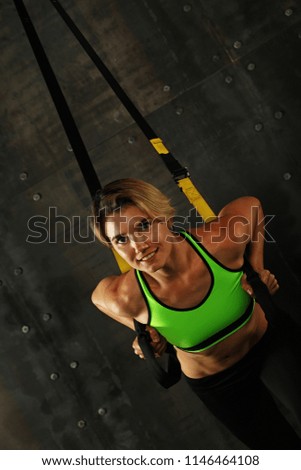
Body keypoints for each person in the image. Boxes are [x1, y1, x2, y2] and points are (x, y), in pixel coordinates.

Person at [91, 178, 301, 449]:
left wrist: (256, 271)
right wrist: (144, 330)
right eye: (121, 239)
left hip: (270, 343)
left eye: (143, 226)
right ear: (114, 247)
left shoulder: (219, 243)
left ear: (164, 218)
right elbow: (98, 299)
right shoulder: (126, 297)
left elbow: (251, 207)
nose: (138, 245)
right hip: (219, 383)